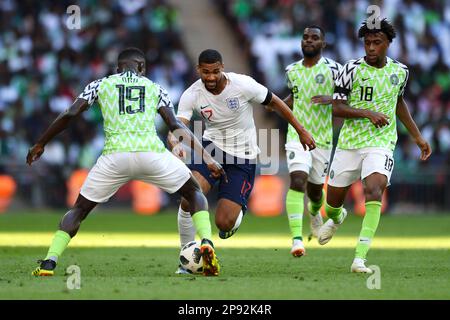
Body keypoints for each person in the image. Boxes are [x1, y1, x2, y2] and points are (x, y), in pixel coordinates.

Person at [27, 47, 226, 277]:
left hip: (114, 157)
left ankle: (49, 262)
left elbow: (71, 114)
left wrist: (41, 143)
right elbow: (175, 125)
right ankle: (207, 242)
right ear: (141, 67)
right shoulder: (154, 87)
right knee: (193, 191)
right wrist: (207, 158)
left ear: (118, 68)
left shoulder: (100, 84)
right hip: (151, 154)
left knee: (79, 210)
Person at [168, 49, 316, 273]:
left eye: (215, 71)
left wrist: (301, 130)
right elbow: (178, 125)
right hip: (212, 148)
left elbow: (276, 102)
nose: (210, 77)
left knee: (224, 223)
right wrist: (176, 142)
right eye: (205, 72)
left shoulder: (243, 85)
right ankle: (186, 257)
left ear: (222, 68)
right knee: (190, 194)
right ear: (198, 70)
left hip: (243, 156)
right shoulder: (193, 93)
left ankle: (236, 215)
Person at [318, 19, 432, 273]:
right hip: (349, 144)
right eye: (367, 43)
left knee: (374, 188)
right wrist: (367, 113)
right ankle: (337, 219)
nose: (371, 48)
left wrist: (417, 136)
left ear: (388, 43)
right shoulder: (349, 69)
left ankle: (359, 258)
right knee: (332, 204)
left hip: (381, 142)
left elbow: (398, 102)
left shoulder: (401, 71)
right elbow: (337, 108)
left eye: (376, 43)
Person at [283, 26, 342, 257]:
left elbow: (350, 96)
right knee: (298, 180)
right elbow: (295, 97)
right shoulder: (291, 70)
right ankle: (297, 240)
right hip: (297, 136)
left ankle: (315, 211)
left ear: (323, 44)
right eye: (306, 37)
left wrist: (333, 98)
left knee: (316, 193)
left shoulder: (335, 69)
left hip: (323, 141)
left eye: (315, 37)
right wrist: (274, 103)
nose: (309, 41)